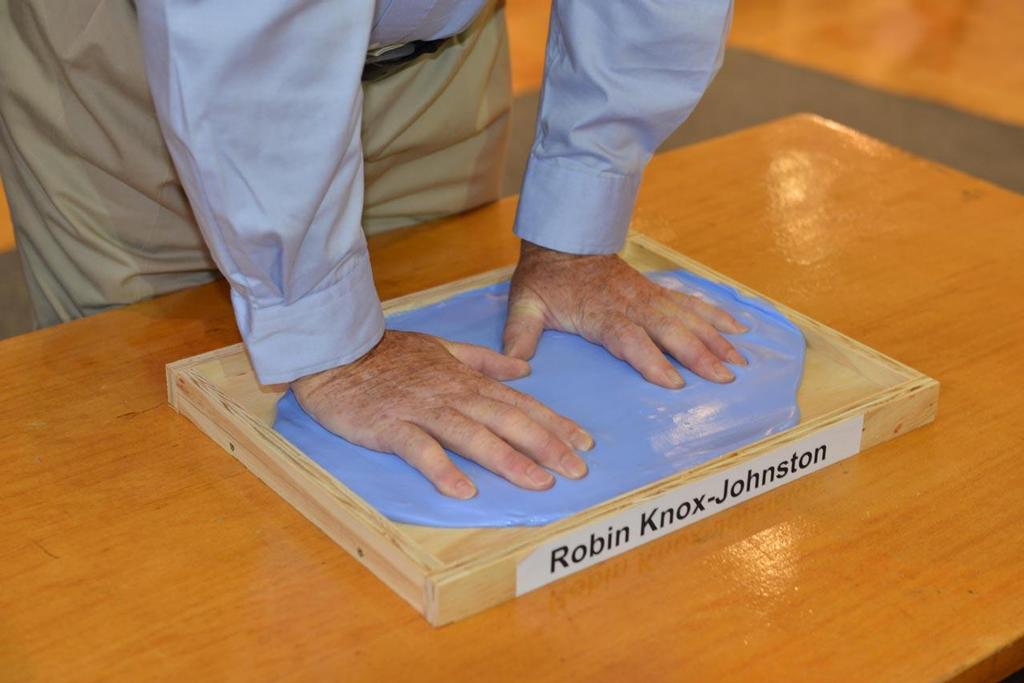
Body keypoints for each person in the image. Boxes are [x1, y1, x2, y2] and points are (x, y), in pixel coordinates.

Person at [0, 0, 741, 499]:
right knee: (165, 478)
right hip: (156, 53)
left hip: (433, 50)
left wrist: (581, 210)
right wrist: (335, 346)